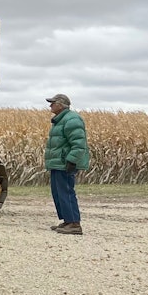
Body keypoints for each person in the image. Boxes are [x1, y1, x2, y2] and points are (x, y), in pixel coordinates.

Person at [44, 93, 90, 235]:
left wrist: (72, 160)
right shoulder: (61, 120)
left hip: (65, 163)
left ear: (61, 104)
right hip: (58, 163)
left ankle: (74, 224)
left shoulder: (72, 120)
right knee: (58, 193)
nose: (50, 105)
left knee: (66, 192)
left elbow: (78, 143)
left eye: (53, 102)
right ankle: (67, 221)